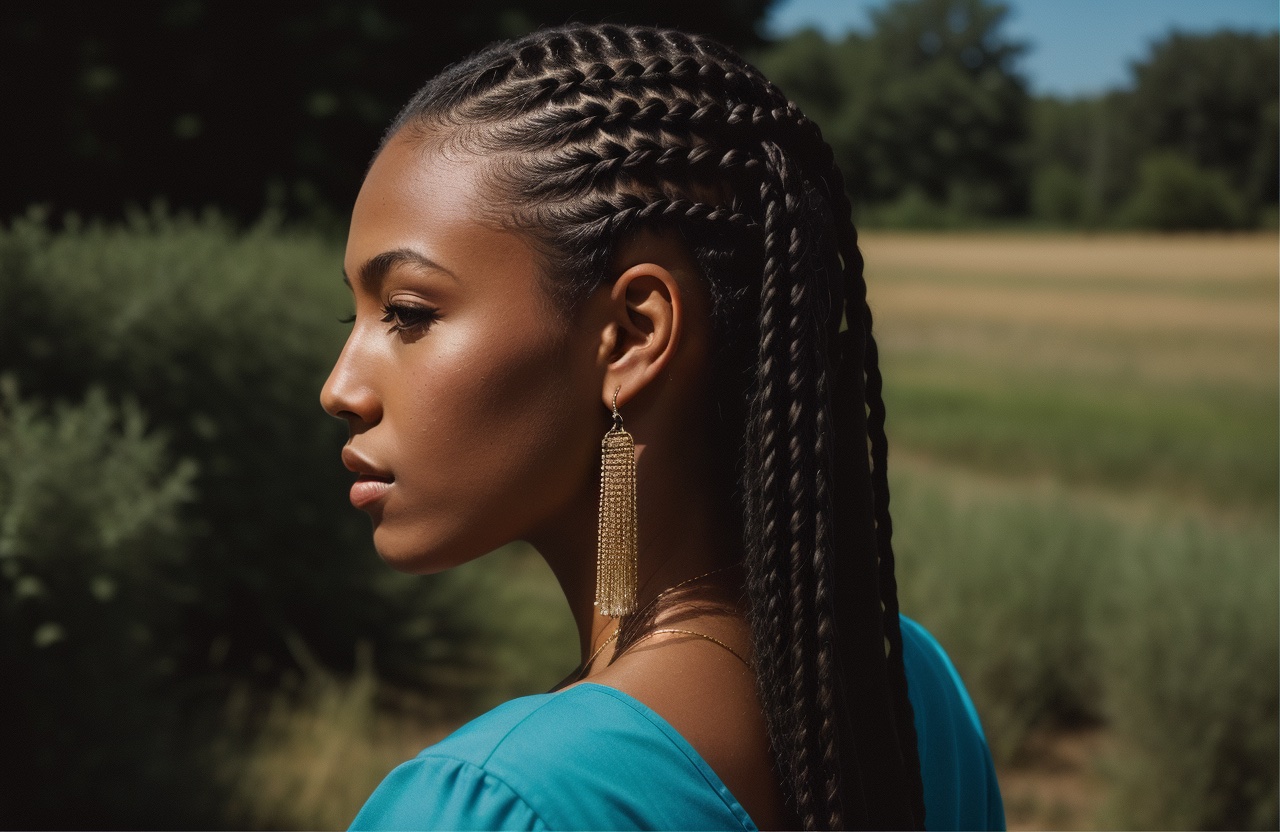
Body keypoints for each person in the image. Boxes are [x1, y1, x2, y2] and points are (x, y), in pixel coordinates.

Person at [321, 22, 1003, 832]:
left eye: (407, 313)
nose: (341, 388)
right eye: (353, 314)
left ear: (633, 336)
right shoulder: (907, 689)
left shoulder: (493, 805)